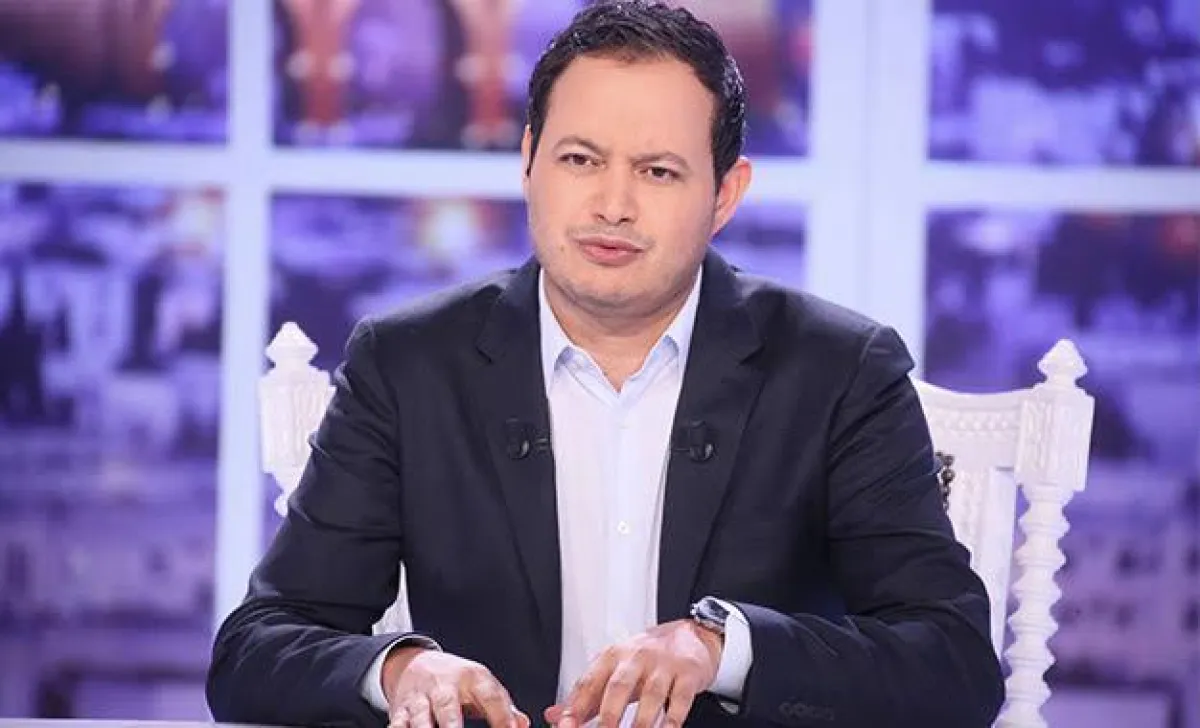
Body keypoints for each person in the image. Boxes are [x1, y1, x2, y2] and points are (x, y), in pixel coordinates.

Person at [206, 2, 1005, 727]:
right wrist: (399, 670)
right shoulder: (408, 364)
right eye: (580, 160)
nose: (612, 205)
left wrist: (722, 651)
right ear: (529, 161)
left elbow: (954, 664)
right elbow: (255, 650)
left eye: (657, 171)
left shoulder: (839, 371)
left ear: (725, 194)